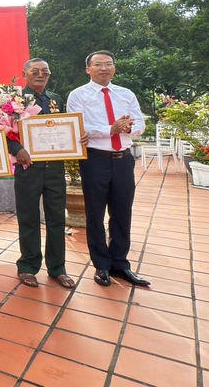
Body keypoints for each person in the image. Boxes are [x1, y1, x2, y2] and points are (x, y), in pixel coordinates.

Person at [67, 50, 150, 287]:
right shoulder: (78, 95)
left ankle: (120, 265)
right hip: (95, 159)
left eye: (109, 64)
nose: (104, 68)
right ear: (88, 69)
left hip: (123, 159)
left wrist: (128, 129)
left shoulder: (125, 94)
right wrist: (110, 129)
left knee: (122, 213)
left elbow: (141, 124)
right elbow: (79, 126)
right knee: (95, 213)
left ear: (114, 68)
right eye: (98, 64)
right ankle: (101, 266)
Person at [8, 59, 83, 289]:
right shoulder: (13, 100)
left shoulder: (55, 99)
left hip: (54, 168)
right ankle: (28, 266)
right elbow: (2, 131)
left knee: (56, 218)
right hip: (28, 168)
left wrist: (77, 137)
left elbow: (63, 128)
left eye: (45, 72)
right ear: (24, 74)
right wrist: (17, 149)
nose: (40, 75)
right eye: (35, 71)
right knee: (29, 217)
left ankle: (57, 268)